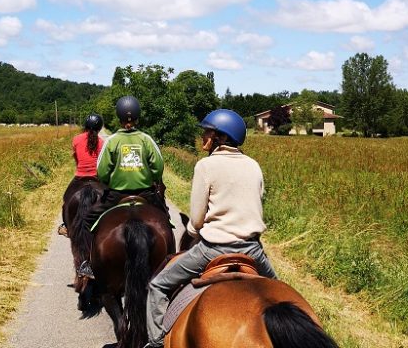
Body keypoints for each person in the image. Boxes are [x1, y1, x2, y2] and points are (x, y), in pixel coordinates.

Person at [144, 108, 277, 348]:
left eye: (208, 132)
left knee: (158, 285)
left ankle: (155, 343)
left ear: (222, 138)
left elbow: (195, 221)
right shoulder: (254, 166)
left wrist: (195, 233)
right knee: (279, 293)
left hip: (212, 250)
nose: (203, 136)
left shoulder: (206, 166)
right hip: (253, 251)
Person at [78, 95, 167, 277]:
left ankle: (87, 261)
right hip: (146, 194)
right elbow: (158, 168)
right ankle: (169, 258)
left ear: (118, 117)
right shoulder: (146, 140)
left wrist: (112, 179)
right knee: (165, 220)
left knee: (88, 220)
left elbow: (102, 172)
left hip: (116, 196)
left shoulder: (112, 141)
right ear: (137, 117)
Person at [57, 113, 104, 237]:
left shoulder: (76, 139)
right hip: (96, 178)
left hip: (80, 177)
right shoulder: (102, 142)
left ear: (85, 126)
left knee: (67, 199)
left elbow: (77, 158)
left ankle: (66, 226)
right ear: (100, 128)